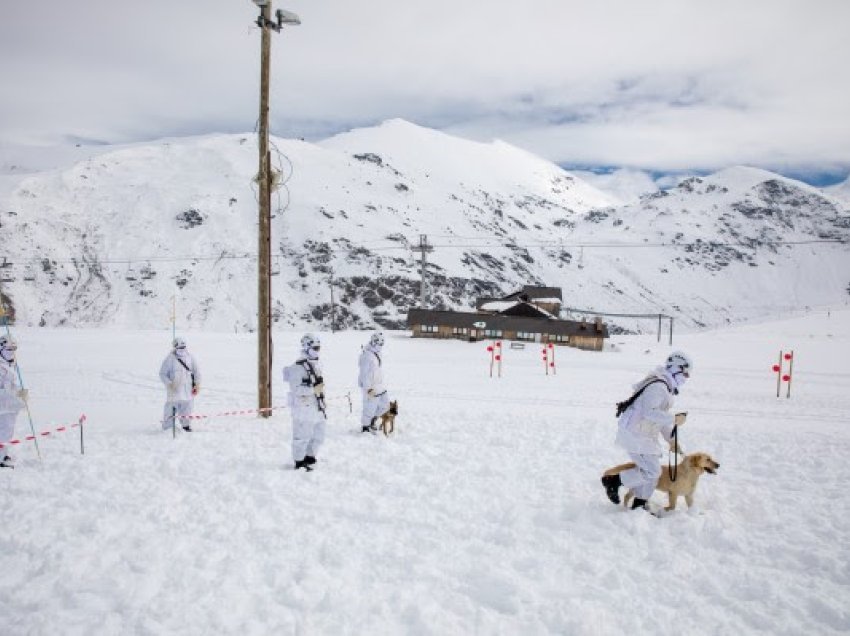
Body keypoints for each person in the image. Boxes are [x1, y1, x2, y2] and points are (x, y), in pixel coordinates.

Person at [601, 351, 692, 512]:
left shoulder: (665, 387)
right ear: (675, 368)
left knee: (651, 473)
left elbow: (659, 419)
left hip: (645, 436)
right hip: (636, 435)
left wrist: (671, 441)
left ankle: (639, 504)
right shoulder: (658, 387)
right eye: (685, 373)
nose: (686, 377)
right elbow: (649, 412)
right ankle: (613, 481)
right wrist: (674, 419)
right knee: (652, 471)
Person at [283, 333, 326, 470]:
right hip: (303, 408)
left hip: (316, 406)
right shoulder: (297, 367)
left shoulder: (316, 364)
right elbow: (296, 389)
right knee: (302, 436)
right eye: (315, 347)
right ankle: (299, 461)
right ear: (306, 347)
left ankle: (310, 456)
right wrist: (313, 390)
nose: (317, 350)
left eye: (319, 347)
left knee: (318, 434)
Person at [159, 337, 201, 432]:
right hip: (174, 390)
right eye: (180, 347)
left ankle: (186, 425)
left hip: (188, 389)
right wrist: (169, 384)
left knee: (187, 407)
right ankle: (168, 427)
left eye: (183, 347)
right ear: (175, 347)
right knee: (170, 408)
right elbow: (162, 374)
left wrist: (197, 384)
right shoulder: (170, 359)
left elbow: (196, 371)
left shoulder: (190, 357)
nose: (182, 349)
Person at [0, 336, 26, 468]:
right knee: (3, 431)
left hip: (9, 406)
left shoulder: (11, 364)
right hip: (3, 406)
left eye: (14, 349)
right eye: (8, 348)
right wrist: (15, 395)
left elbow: (12, 384)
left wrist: (21, 393)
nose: (11, 351)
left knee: (7, 432)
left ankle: (3, 454)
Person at [358, 331, 389, 434]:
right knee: (369, 408)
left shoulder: (376, 353)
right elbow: (364, 374)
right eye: (379, 344)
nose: (381, 346)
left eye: (382, 344)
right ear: (374, 342)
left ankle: (372, 420)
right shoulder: (367, 356)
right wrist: (368, 389)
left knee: (385, 405)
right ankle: (365, 427)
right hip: (370, 387)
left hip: (379, 385)